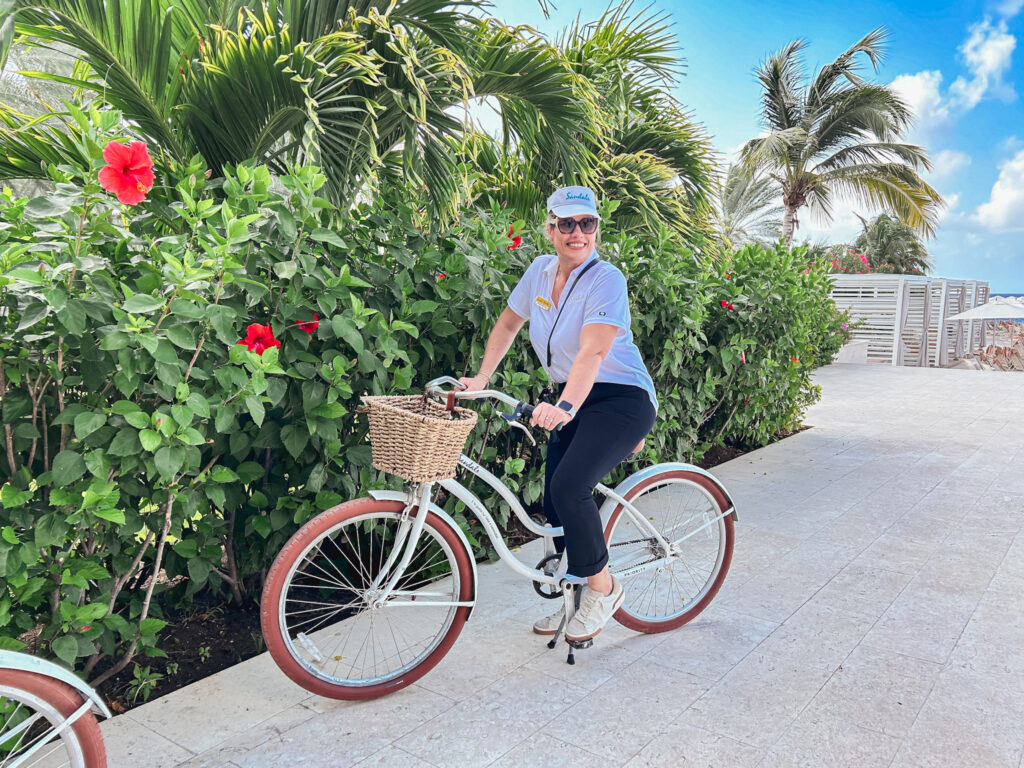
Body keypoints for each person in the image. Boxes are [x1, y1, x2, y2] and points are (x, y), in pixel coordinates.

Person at [459, 185, 658, 643]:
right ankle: (573, 599)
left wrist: (566, 406)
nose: (577, 233)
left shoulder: (607, 278)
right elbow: (509, 323)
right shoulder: (539, 272)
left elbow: (594, 351)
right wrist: (482, 378)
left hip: (620, 398)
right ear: (550, 229)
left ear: (596, 229)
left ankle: (603, 591)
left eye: (586, 224)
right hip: (572, 396)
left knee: (571, 488)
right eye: (566, 224)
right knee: (553, 503)